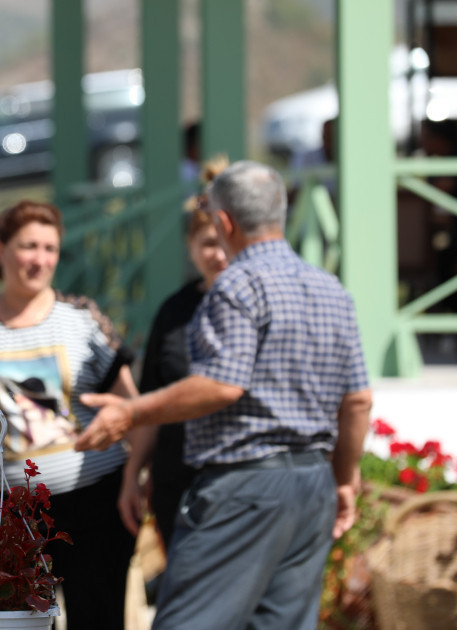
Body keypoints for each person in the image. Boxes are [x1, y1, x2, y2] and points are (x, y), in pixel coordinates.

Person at [75, 160, 372, 630]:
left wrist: (130, 412)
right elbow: (358, 401)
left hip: (245, 487)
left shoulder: (237, 283)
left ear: (225, 222)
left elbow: (221, 385)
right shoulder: (331, 288)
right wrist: (342, 479)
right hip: (311, 485)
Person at [0, 200, 141, 630]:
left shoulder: (82, 319)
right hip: (6, 515)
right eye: (29, 246)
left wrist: (137, 478)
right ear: (0, 249)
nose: (40, 259)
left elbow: (132, 408)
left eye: (50, 248)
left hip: (94, 504)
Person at [124, 160, 229, 553]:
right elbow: (151, 401)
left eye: (224, 242)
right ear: (191, 246)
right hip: (177, 481)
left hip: (238, 482)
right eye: (208, 243)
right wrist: (134, 475)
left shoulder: (260, 306)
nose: (218, 254)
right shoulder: (173, 311)